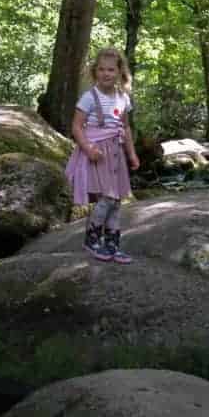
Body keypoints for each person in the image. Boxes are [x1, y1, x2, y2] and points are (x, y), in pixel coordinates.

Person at [65, 47, 141, 263]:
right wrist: (88, 148)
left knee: (116, 201)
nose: (106, 74)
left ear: (119, 72)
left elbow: (125, 128)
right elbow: (77, 127)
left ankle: (112, 244)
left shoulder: (123, 98)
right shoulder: (89, 98)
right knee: (107, 198)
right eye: (101, 69)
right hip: (96, 153)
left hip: (116, 154)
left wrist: (132, 154)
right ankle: (91, 239)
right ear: (95, 72)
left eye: (111, 70)